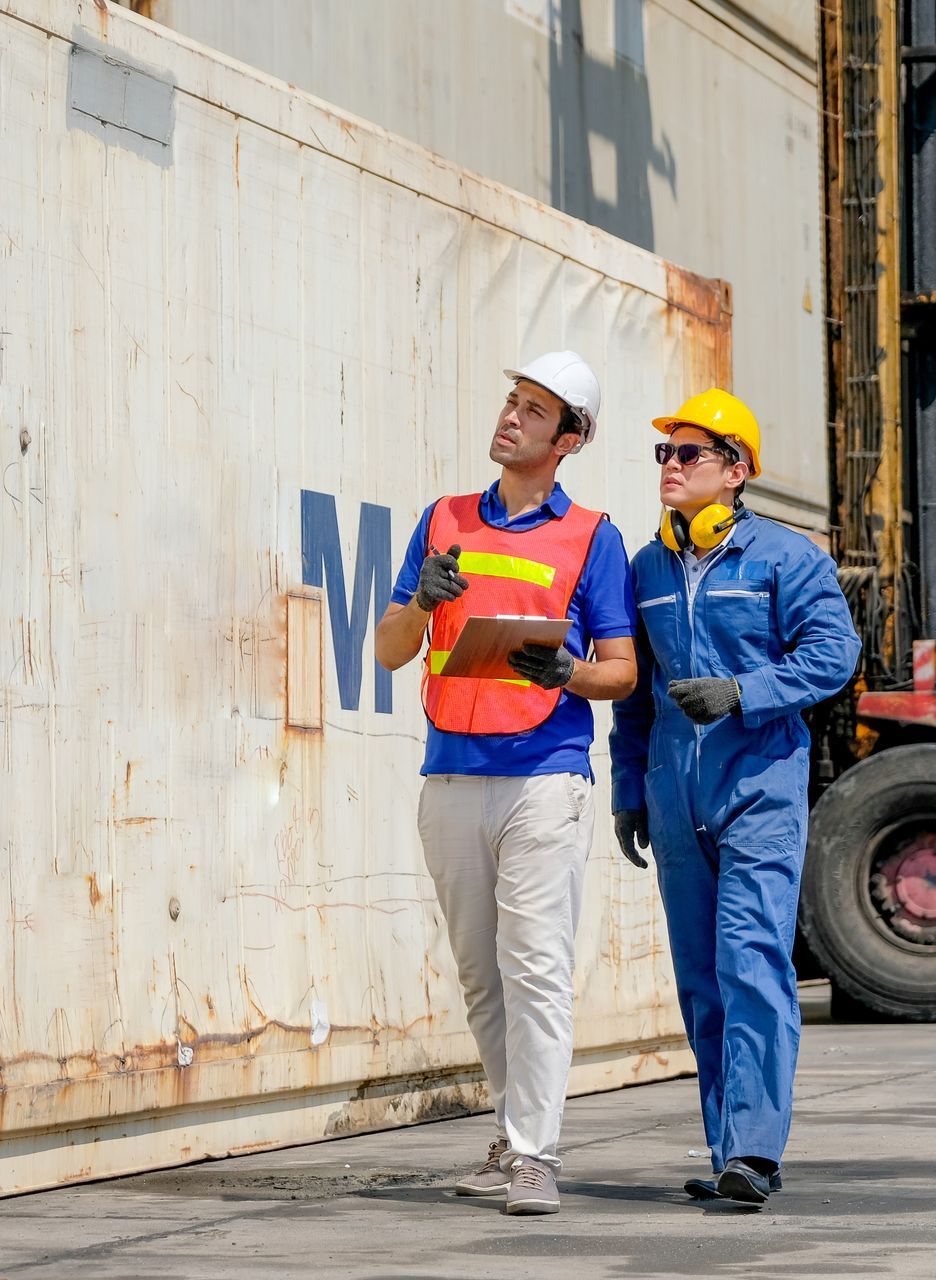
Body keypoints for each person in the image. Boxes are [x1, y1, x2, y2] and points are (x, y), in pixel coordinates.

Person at [374, 351, 638, 1216]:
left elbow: (622, 673)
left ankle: (535, 1155)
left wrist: (565, 671)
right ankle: (514, 1130)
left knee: (535, 970)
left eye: (533, 410)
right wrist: (420, 595)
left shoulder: (593, 537)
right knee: (483, 977)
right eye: (511, 401)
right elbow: (388, 648)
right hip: (450, 774)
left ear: (570, 439)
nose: (510, 418)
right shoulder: (443, 518)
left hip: (543, 780)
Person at [609, 388, 859, 1206]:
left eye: (689, 455)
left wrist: (743, 692)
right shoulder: (644, 568)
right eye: (665, 455)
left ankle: (755, 1149)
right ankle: (726, 1150)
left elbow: (835, 654)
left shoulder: (785, 559)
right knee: (701, 979)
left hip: (759, 793)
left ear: (736, 471)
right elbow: (635, 696)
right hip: (675, 801)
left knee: (751, 964)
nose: (670, 468)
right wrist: (628, 787)